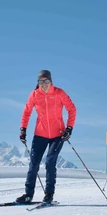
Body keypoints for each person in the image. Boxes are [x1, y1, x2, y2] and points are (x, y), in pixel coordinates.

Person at [16, 70, 77, 203]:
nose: (44, 84)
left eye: (46, 81)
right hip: (40, 134)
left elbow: (72, 109)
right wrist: (23, 129)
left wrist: (69, 128)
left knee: (50, 162)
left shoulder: (59, 93)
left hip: (58, 135)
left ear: (51, 81)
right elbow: (26, 112)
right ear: (38, 83)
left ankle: (49, 194)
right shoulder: (34, 95)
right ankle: (28, 195)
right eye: (41, 81)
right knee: (34, 164)